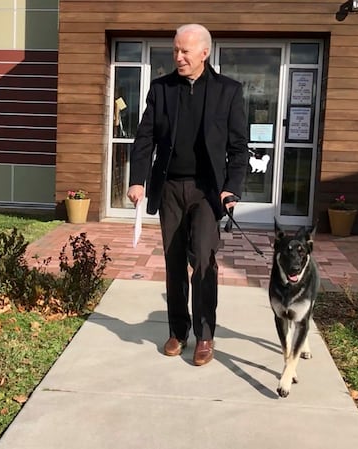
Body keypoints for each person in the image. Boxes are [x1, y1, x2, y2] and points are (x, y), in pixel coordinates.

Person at [127, 24, 249, 366]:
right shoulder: (161, 89)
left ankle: (205, 335)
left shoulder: (228, 91)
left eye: (185, 51)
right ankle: (178, 331)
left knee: (204, 261)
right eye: (175, 51)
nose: (178, 57)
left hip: (208, 191)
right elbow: (145, 138)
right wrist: (138, 180)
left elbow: (239, 147)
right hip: (170, 188)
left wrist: (232, 187)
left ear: (204, 53)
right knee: (174, 261)